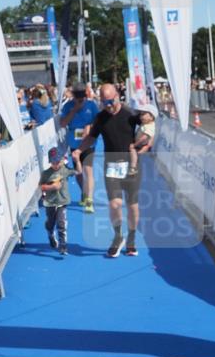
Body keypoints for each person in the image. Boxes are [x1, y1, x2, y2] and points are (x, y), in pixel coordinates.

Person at [72, 84, 142, 257]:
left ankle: (131, 239)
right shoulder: (101, 117)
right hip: (111, 166)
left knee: (132, 206)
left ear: (118, 96)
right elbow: (91, 138)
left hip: (131, 165)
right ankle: (118, 237)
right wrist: (80, 150)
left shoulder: (131, 115)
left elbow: (148, 130)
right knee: (114, 204)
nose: (108, 105)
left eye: (110, 101)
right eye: (104, 102)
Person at [60, 82, 99, 213]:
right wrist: (74, 110)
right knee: (78, 173)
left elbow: (98, 121)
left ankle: (89, 200)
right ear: (73, 96)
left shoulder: (91, 105)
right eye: (78, 96)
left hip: (88, 143)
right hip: (74, 143)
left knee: (88, 171)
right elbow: (63, 123)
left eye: (82, 96)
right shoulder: (68, 106)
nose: (80, 99)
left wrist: (90, 126)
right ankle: (84, 192)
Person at [39, 147, 72, 256]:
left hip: (62, 201)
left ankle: (63, 245)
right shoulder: (46, 173)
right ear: (50, 162)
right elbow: (41, 187)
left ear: (62, 160)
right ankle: (50, 234)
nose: (56, 164)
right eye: (53, 162)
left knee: (61, 222)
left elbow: (78, 172)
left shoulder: (65, 170)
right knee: (50, 222)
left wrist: (77, 161)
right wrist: (52, 187)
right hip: (50, 202)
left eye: (57, 161)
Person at [129, 104, 157, 176]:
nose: (140, 117)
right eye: (140, 114)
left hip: (142, 144)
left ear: (151, 117)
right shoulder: (145, 124)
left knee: (133, 151)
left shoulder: (150, 126)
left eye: (143, 114)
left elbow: (144, 137)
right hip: (142, 144)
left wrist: (135, 144)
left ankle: (133, 168)